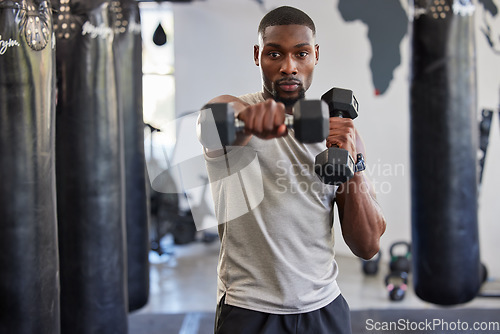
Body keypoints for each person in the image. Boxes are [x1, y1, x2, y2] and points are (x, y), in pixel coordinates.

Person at [198, 6, 386, 334]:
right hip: (249, 310)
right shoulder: (233, 120)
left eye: (301, 54)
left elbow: (368, 246)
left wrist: (351, 164)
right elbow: (210, 120)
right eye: (275, 54)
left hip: (324, 309)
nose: (289, 67)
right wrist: (247, 119)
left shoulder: (339, 133)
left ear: (315, 55)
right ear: (258, 56)